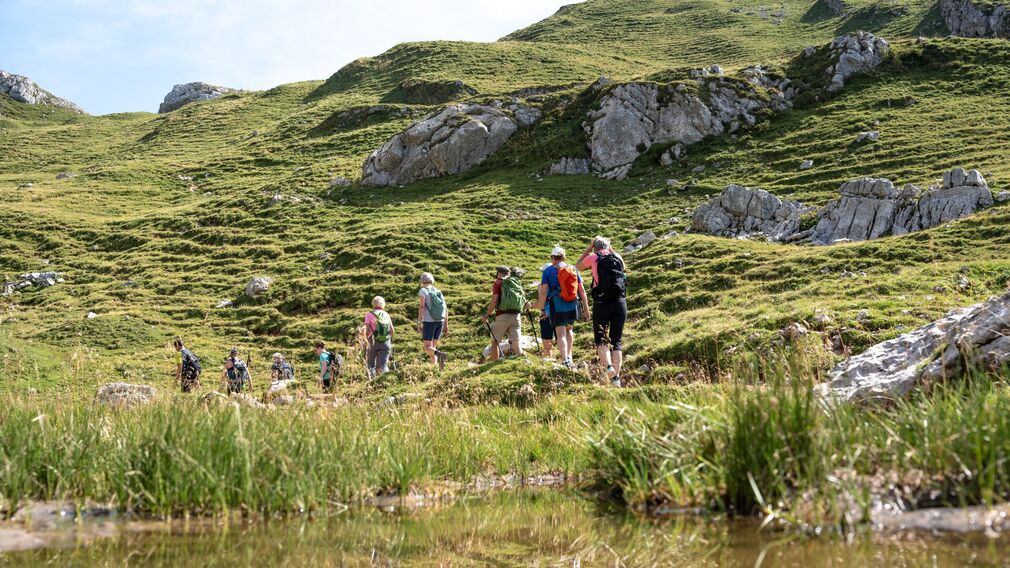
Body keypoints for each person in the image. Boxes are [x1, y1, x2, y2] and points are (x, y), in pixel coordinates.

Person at [577, 236, 628, 387]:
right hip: (620, 302)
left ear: (595, 247)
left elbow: (577, 266)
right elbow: (623, 267)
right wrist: (610, 248)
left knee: (601, 339)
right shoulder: (617, 256)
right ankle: (616, 379)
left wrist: (588, 248)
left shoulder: (594, 257)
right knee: (616, 341)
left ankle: (609, 367)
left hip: (602, 303)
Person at [538, 246, 590, 369]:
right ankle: (570, 356)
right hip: (572, 302)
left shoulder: (548, 271)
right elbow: (581, 291)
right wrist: (586, 308)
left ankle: (565, 359)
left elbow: (544, 292)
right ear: (564, 257)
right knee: (569, 329)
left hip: (557, 303)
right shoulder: (573, 269)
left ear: (552, 258)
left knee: (560, 332)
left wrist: (542, 308)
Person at [483, 266, 528, 360]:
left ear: (499, 273)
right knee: (515, 340)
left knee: (495, 341)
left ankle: (494, 362)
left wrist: (487, 314)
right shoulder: (515, 282)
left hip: (502, 315)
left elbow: (495, 299)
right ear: (508, 273)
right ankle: (522, 359)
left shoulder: (498, 282)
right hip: (516, 314)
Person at [417, 272, 449, 370]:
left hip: (429, 321)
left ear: (422, 281)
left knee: (427, 348)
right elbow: (445, 308)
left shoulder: (423, 290)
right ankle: (435, 368)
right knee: (433, 346)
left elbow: (422, 306)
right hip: (440, 321)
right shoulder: (438, 291)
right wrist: (446, 324)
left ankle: (440, 355)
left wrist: (419, 321)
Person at [365, 296, 395, 378]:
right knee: (383, 365)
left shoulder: (369, 315)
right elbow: (392, 330)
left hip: (373, 341)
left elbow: (367, 330)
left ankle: (371, 383)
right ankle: (386, 381)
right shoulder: (386, 314)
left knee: (371, 364)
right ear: (383, 304)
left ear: (373, 304)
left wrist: (367, 340)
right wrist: (386, 338)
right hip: (385, 342)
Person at [538, 263, 555, 359]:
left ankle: (549, 359)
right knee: (562, 337)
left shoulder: (541, 286)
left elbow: (541, 301)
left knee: (547, 341)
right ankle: (566, 360)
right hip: (561, 313)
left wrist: (531, 306)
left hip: (547, 314)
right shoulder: (559, 282)